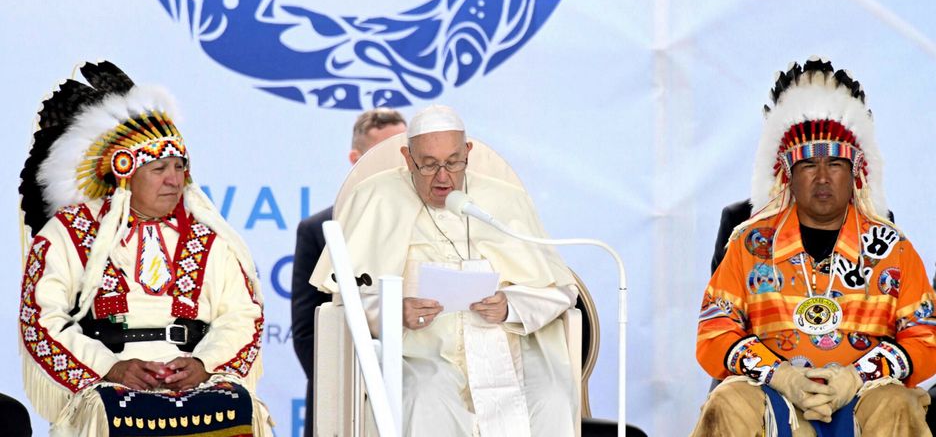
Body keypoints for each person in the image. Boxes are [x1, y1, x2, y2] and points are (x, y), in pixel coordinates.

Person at [17, 61, 272, 436]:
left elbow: (242, 314)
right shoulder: (69, 232)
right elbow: (41, 318)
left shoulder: (210, 236)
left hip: (195, 377)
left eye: (179, 167)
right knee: (112, 408)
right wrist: (109, 368)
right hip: (107, 380)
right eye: (159, 169)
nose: (174, 180)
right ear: (126, 174)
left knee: (235, 403)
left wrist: (204, 364)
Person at [691, 57, 936, 436]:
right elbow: (714, 331)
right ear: (788, 175)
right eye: (808, 165)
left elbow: (924, 336)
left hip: (866, 394)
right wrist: (781, 375)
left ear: (855, 172)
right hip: (769, 391)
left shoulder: (893, 248)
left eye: (835, 163)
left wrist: (856, 376)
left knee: (898, 405)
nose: (822, 177)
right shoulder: (749, 244)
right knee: (727, 404)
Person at [309, 105, 579, 437]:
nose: (442, 177)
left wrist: (511, 306)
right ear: (408, 159)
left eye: (453, 162)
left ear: (468, 153)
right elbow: (347, 298)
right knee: (425, 398)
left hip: (511, 349)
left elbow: (561, 290)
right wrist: (395, 311)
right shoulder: (376, 197)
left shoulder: (505, 199)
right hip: (420, 354)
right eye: (429, 164)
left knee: (552, 398)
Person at [291, 108, 406, 437]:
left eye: (404, 152)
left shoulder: (439, 225)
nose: (398, 164)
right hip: (344, 403)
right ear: (355, 159)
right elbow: (307, 333)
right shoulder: (319, 231)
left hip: (419, 398)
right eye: (383, 154)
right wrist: (345, 390)